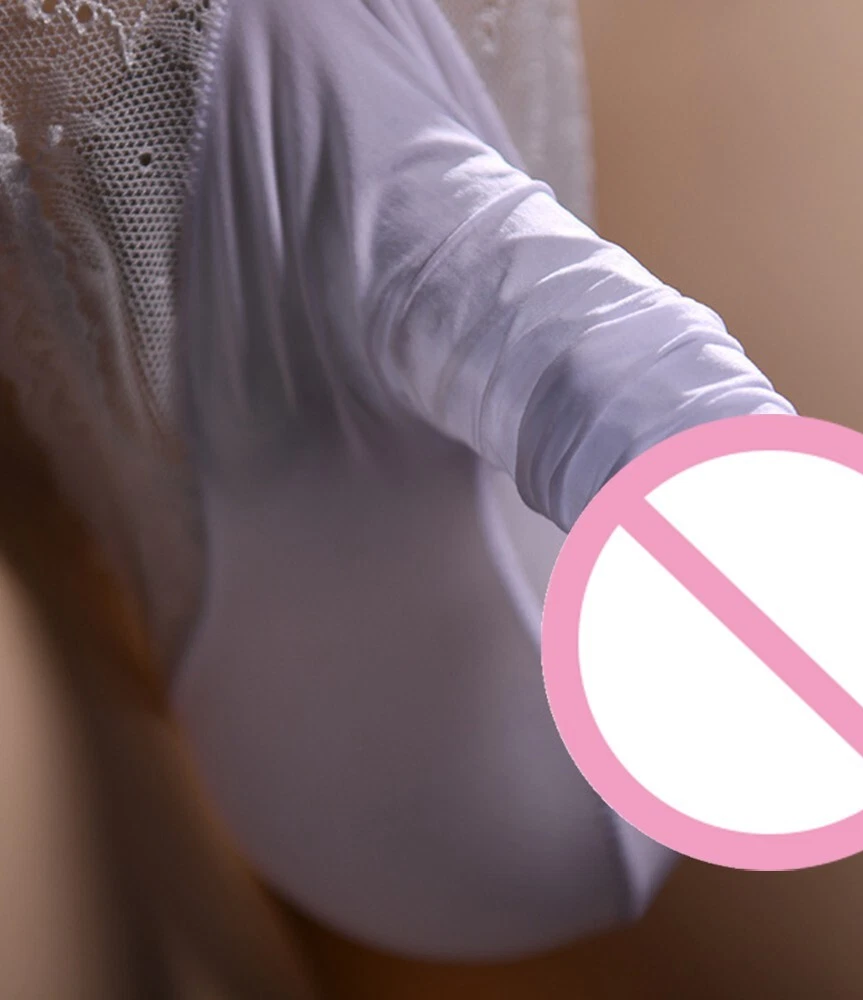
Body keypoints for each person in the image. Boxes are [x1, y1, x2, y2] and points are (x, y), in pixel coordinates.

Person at [0, 0, 795, 965]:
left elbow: (584, 357)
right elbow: (573, 347)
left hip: (394, 745)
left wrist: (727, 467)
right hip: (374, 742)